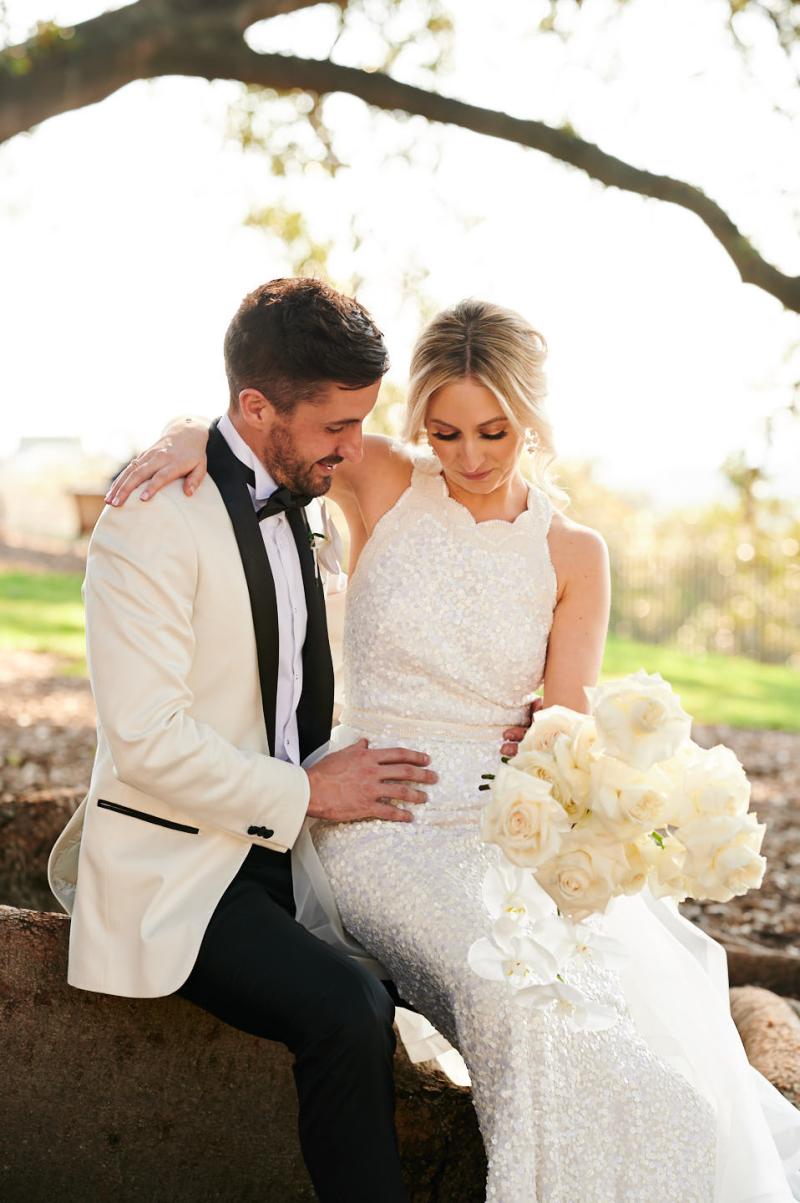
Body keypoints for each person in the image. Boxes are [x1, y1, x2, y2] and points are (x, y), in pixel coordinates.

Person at [107, 295, 800, 1202]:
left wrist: (553, 743)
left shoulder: (576, 554)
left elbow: (564, 732)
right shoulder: (382, 478)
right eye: (444, 431)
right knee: (520, 1008)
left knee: (636, 1054)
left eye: (493, 432)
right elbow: (264, 434)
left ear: (532, 420)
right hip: (373, 817)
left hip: (500, 825)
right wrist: (182, 435)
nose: (467, 458)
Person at [47, 277, 463, 1203]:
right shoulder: (152, 519)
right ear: (254, 407)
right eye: (335, 428)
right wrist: (313, 794)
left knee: (460, 950)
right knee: (349, 1007)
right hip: (185, 861)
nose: (353, 449)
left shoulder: (298, 486)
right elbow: (147, 741)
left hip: (294, 842)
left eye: (361, 422)